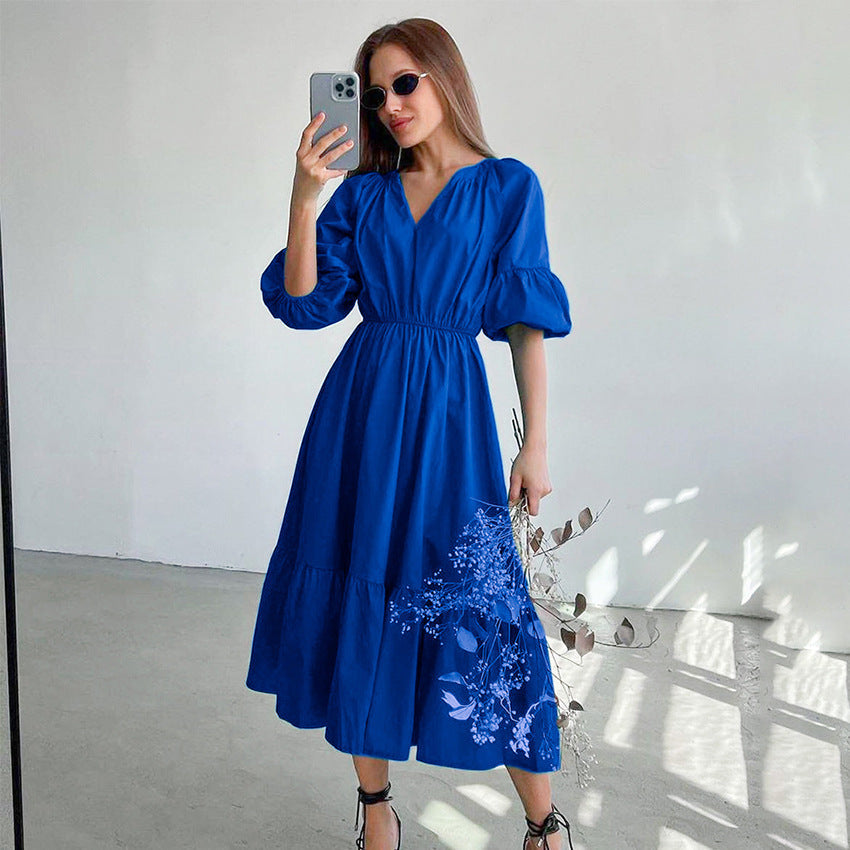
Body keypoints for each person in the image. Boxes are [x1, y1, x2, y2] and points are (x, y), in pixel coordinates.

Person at [246, 17, 574, 850]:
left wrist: (535, 443)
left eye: (404, 83)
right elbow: (303, 303)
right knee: (361, 585)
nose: (390, 105)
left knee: (485, 606)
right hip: (359, 416)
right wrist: (304, 198)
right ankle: (376, 808)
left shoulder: (507, 187)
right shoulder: (362, 194)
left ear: (444, 77)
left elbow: (526, 324)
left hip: (451, 422)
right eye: (375, 93)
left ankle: (543, 824)